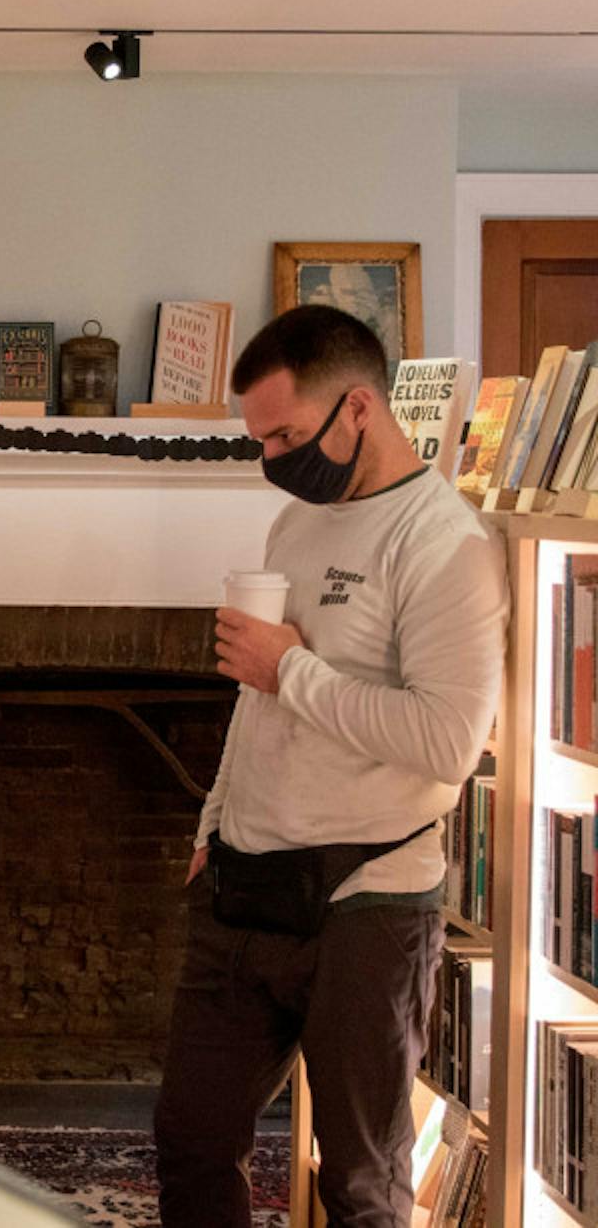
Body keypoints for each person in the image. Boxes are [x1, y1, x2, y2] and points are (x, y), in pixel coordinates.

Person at [153, 304, 507, 1228]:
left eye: (286, 434)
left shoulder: (446, 547)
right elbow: (255, 697)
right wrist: (211, 824)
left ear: (358, 409)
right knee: (191, 1144)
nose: (272, 457)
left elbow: (448, 743)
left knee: (359, 1182)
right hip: (241, 884)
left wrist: (293, 668)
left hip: (370, 901)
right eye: (259, 438)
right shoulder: (295, 525)